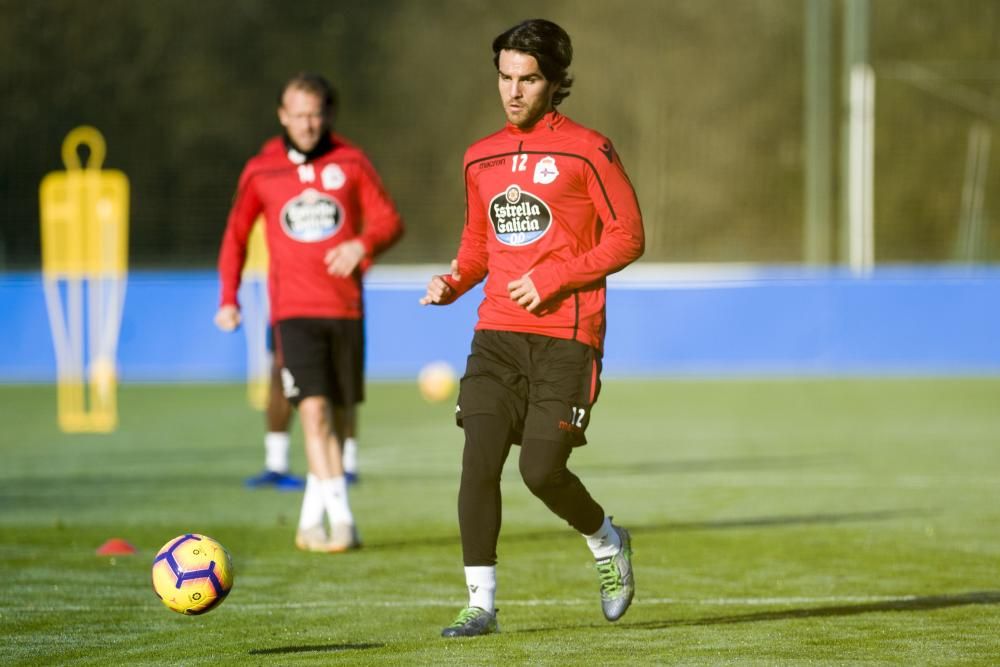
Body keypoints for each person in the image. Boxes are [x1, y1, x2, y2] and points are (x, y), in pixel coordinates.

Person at [421, 19, 645, 637]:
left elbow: (629, 236)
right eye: (506, 78)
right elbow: (478, 245)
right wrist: (454, 282)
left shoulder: (588, 149)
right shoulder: (479, 157)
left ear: (554, 83)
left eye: (529, 79)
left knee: (541, 472)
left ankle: (607, 542)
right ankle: (481, 605)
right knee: (479, 461)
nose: (514, 92)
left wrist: (554, 279)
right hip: (495, 333)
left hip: (568, 338)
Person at [217, 72, 403, 552]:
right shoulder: (262, 171)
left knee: (338, 419)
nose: (307, 123)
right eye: (298, 114)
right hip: (293, 312)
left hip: (346, 310)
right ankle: (343, 523)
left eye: (315, 113)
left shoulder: (352, 161)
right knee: (314, 411)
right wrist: (228, 298)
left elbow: (389, 221)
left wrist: (361, 243)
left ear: (329, 114)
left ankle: (308, 524)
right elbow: (235, 236)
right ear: (282, 115)